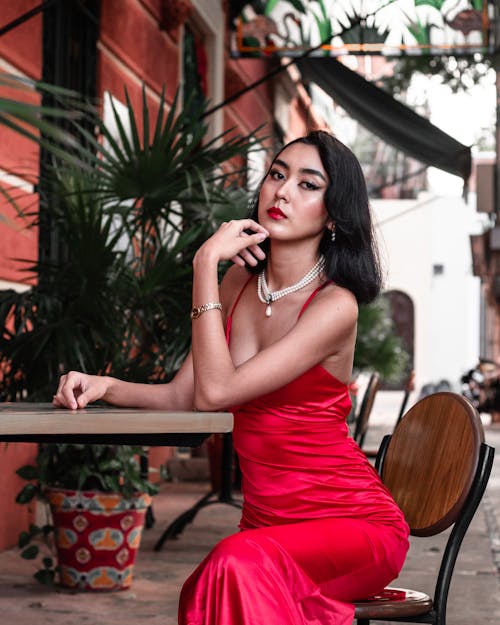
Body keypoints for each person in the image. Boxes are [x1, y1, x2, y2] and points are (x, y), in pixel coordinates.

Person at [54, 130, 409, 624]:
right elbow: (186, 394)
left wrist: (204, 262)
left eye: (308, 185)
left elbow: (216, 394)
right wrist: (105, 385)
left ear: (333, 216)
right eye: (277, 175)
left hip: (350, 524)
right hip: (267, 524)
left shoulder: (335, 305)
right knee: (213, 581)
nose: (282, 191)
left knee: (232, 566)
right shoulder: (241, 281)